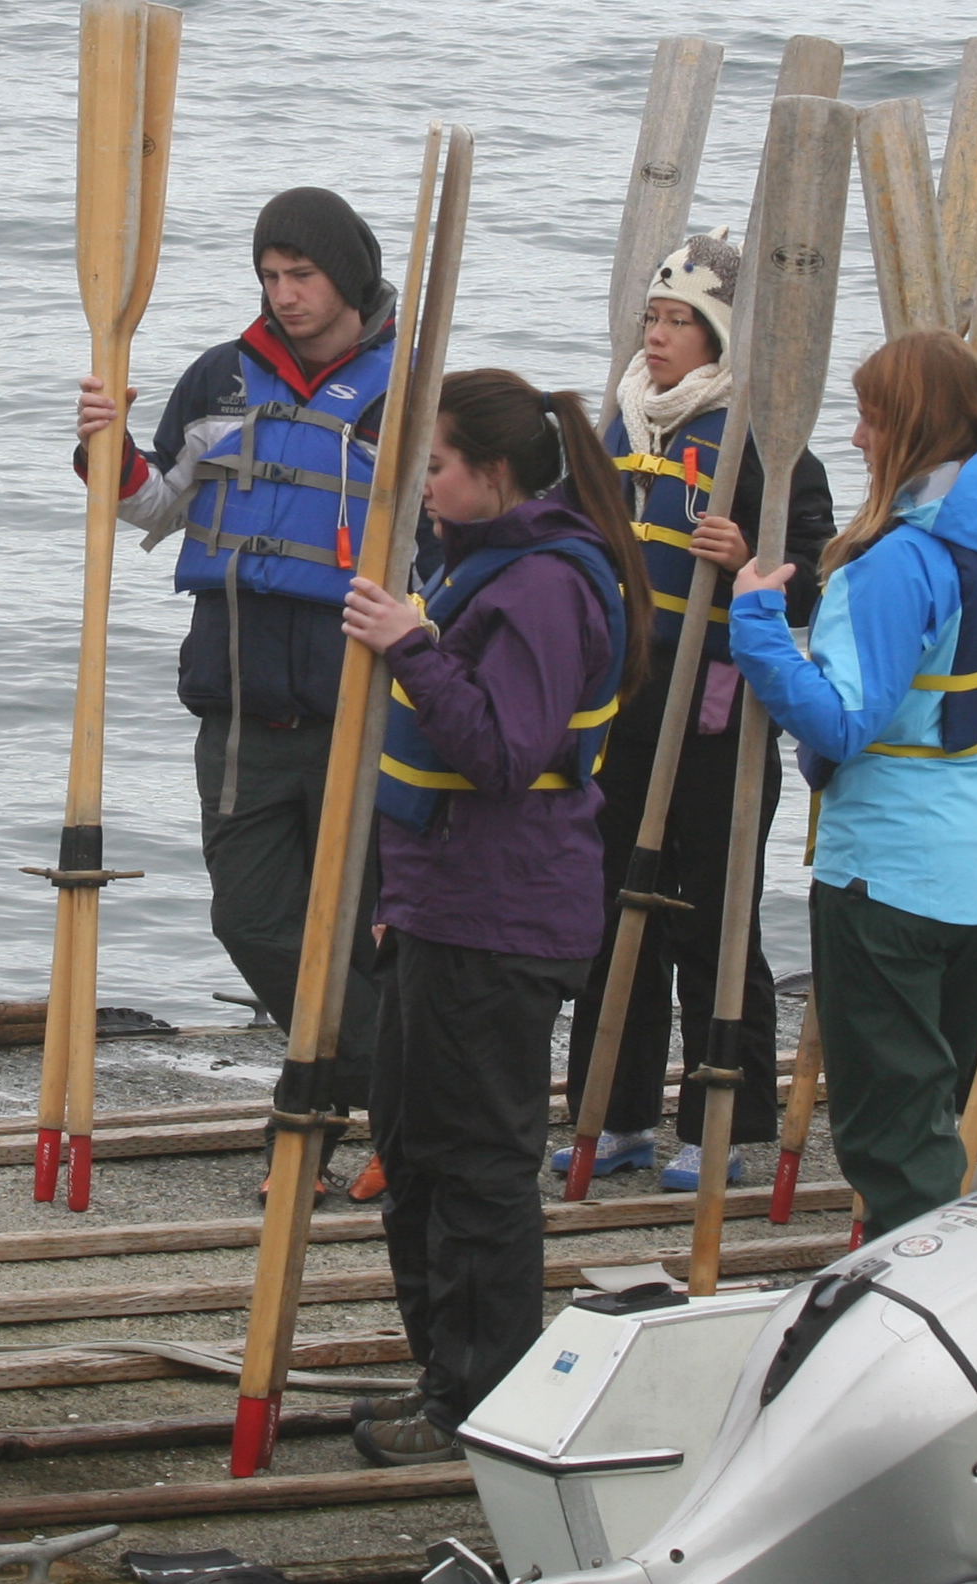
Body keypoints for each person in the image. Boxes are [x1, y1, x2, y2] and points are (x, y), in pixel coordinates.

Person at [337, 369, 651, 1465]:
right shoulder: (481, 563)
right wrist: (396, 902)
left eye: (435, 466)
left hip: (503, 911)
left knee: (475, 1164)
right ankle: (446, 1377)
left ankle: (483, 1399)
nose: (422, 486)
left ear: (495, 471)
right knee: (412, 1150)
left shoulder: (545, 588)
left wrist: (409, 646)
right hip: (441, 900)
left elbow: (506, 755)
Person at [719, 330, 977, 1237]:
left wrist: (759, 626)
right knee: (935, 1103)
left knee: (891, 1129)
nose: (857, 439)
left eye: (871, 421)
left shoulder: (899, 561)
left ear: (915, 429)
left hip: (892, 871)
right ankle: (944, 1264)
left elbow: (843, 722)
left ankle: (926, 1292)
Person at [75, 187, 396, 1108]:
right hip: (240, 706)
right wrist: (105, 449)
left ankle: (350, 1107)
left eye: (302, 275)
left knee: (366, 928)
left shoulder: (411, 391)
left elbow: (453, 536)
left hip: (363, 710)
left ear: (348, 278)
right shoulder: (220, 376)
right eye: (269, 275)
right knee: (251, 920)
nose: (283, 293)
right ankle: (381, 1087)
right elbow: (155, 506)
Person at [558, 230, 834, 1193]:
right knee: (612, 916)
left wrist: (747, 560)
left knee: (715, 922)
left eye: (680, 321)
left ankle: (727, 1119)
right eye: (653, 317)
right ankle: (615, 1113)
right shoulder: (622, 422)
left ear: (720, 337)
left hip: (720, 721)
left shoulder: (762, 436)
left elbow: (811, 574)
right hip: (621, 712)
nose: (660, 335)